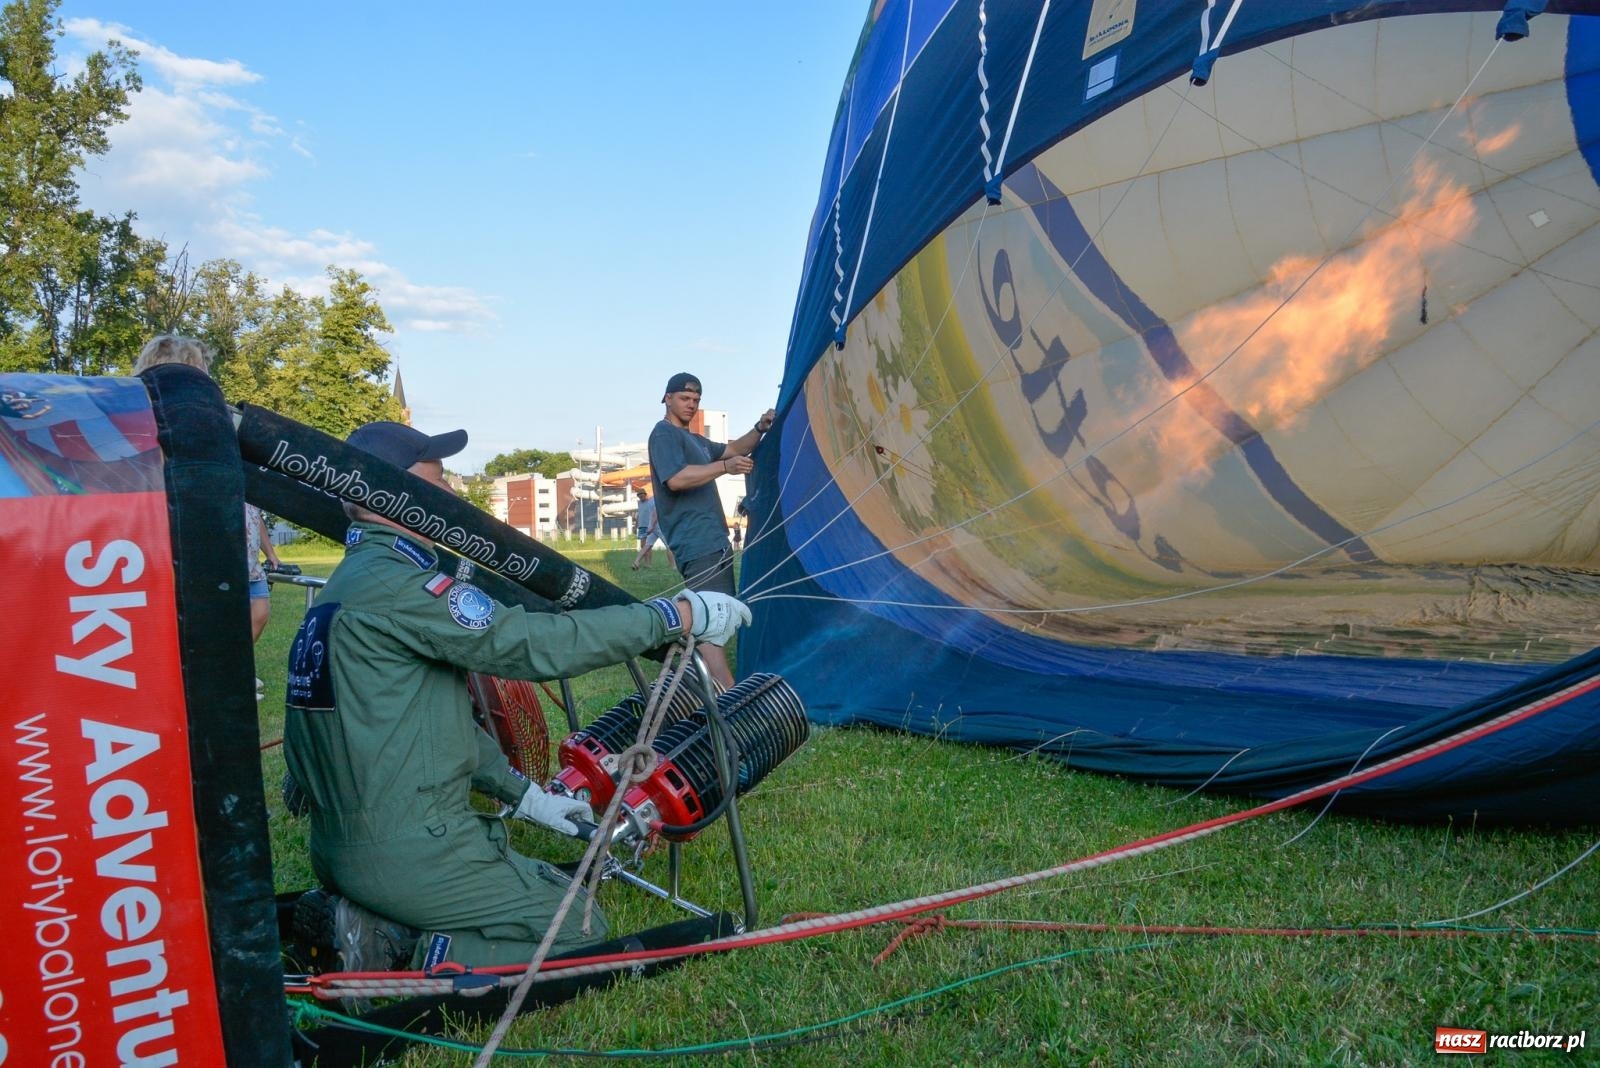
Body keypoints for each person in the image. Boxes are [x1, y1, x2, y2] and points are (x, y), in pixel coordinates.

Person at [283, 420, 750, 970]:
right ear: (391, 493)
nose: (451, 495)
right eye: (436, 480)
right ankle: (394, 945)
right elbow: (529, 645)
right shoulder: (402, 586)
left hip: (340, 848)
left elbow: (434, 727)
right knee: (575, 920)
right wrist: (674, 614)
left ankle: (367, 913)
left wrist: (531, 799)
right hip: (408, 851)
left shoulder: (343, 589)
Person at [134, 334, 280, 698]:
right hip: (169, 561)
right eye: (202, 368)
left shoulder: (208, 428)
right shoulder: (148, 429)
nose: (208, 377)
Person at [648, 372, 773, 690]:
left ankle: (696, 691)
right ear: (667, 398)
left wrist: (760, 428)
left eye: (696, 400)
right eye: (684, 398)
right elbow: (675, 478)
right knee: (709, 626)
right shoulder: (663, 434)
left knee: (718, 618)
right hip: (697, 541)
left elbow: (733, 448)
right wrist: (723, 468)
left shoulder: (697, 440)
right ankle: (728, 700)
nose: (691, 404)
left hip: (714, 542)